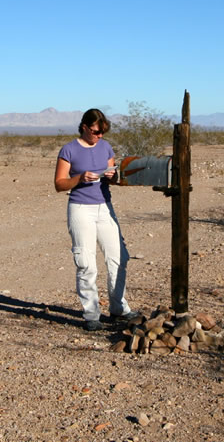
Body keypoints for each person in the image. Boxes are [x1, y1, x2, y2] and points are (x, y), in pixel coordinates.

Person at [54, 108, 140, 331]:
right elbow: (59, 184)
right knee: (86, 262)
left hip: (104, 207)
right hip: (81, 208)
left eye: (102, 132)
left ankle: (119, 308)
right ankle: (92, 314)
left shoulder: (105, 147)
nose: (99, 136)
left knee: (118, 257)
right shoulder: (69, 150)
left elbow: (113, 178)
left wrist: (113, 176)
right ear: (84, 127)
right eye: (95, 132)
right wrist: (79, 178)